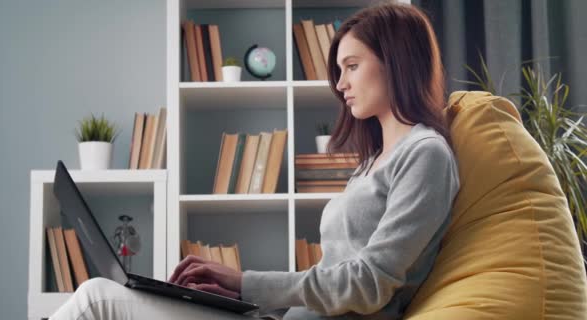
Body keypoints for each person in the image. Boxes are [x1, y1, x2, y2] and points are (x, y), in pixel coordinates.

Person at [50, 2, 459, 320]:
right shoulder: (372, 161)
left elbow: (370, 284)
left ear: (398, 61)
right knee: (105, 295)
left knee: (94, 301)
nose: (340, 84)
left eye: (352, 66)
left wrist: (247, 283)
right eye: (339, 70)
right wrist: (241, 298)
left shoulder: (425, 154)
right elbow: (328, 280)